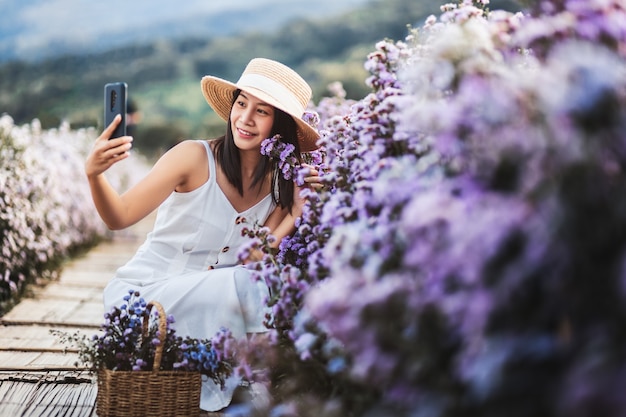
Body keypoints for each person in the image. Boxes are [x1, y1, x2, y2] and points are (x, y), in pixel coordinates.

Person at [84, 58, 321, 412]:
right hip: (145, 305)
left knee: (268, 279)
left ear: (280, 126)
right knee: (249, 282)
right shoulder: (193, 157)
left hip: (209, 315)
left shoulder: (277, 184)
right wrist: (94, 175)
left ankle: (278, 380)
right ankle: (278, 382)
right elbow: (120, 217)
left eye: (262, 111)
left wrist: (294, 215)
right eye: (241, 103)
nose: (245, 118)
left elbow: (257, 258)